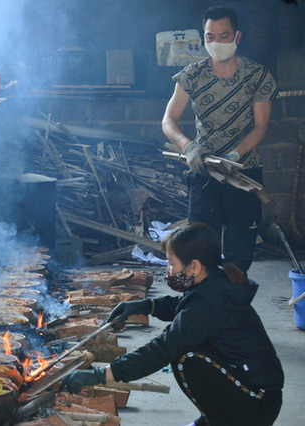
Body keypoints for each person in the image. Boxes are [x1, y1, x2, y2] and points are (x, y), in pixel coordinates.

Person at [59, 223, 284, 426]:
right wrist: (146, 306)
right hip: (259, 392)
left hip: (255, 402)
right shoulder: (215, 281)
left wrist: (102, 375)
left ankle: (219, 421)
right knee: (187, 350)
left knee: (186, 357)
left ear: (194, 266)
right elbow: (183, 307)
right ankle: (215, 418)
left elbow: (162, 348)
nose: (169, 270)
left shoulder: (209, 301)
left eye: (171, 263)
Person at [161, 5, 278, 273]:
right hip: (204, 173)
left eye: (223, 36)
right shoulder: (191, 75)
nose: (216, 43)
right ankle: (201, 310)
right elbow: (168, 120)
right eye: (210, 37)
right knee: (199, 255)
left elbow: (261, 126)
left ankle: (233, 307)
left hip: (244, 175)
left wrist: (236, 155)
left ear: (237, 37)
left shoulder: (258, 75)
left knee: (238, 259)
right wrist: (188, 146)